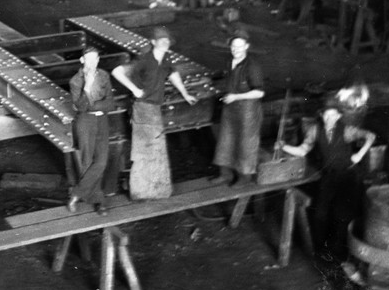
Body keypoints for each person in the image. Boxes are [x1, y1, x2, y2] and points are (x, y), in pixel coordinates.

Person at [277, 100, 375, 259]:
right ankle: (320, 250)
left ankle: (340, 253)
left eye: (333, 115)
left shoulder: (347, 130)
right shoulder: (314, 130)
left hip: (348, 176)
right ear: (322, 116)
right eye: (326, 115)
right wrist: (283, 146)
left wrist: (360, 154)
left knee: (341, 215)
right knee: (319, 214)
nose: (329, 118)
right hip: (329, 176)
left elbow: (370, 136)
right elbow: (303, 150)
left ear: (338, 116)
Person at [112, 27, 198, 200]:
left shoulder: (166, 58)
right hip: (143, 107)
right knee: (144, 150)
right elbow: (117, 72)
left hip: (154, 108)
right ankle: (141, 192)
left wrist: (185, 93)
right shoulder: (144, 60)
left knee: (156, 149)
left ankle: (156, 190)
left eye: (167, 40)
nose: (166, 43)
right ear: (153, 42)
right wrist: (135, 89)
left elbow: (173, 75)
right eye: (162, 40)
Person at [211, 29, 264, 187]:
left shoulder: (252, 66)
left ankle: (244, 178)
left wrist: (236, 96)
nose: (236, 49)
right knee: (226, 140)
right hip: (231, 108)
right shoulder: (230, 61)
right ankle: (225, 174)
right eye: (234, 46)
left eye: (240, 46)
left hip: (248, 110)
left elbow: (259, 92)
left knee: (245, 144)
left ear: (247, 46)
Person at [67, 47, 114, 216]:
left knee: (101, 161)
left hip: (101, 120)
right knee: (88, 162)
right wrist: (87, 88)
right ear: (82, 60)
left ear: (98, 60)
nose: (92, 63)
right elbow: (80, 107)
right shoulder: (75, 81)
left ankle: (76, 194)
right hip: (85, 122)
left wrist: (92, 106)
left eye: (95, 59)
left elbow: (110, 103)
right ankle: (99, 202)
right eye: (89, 59)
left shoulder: (104, 76)